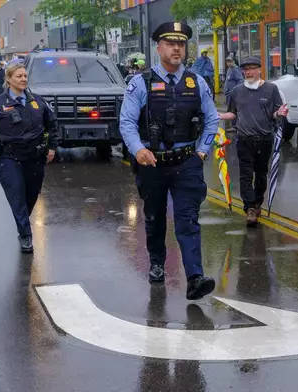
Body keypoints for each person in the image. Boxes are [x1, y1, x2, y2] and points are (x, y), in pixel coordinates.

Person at [119, 21, 219, 300]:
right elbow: (126, 122)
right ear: (159, 47)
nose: (177, 48)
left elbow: (212, 121)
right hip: (153, 163)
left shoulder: (197, 82)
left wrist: (202, 151)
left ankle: (195, 277)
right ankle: (156, 262)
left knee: (188, 219)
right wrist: (138, 149)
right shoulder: (141, 83)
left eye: (181, 44)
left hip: (187, 162)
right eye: (171, 44)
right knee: (155, 217)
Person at [0, 62, 59, 253]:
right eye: (18, 76)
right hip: (9, 158)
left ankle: (22, 223)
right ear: (8, 79)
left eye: (24, 76)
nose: (23, 79)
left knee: (31, 196)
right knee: (16, 197)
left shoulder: (38, 102)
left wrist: (52, 147)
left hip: (34, 157)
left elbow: (52, 124)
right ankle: (25, 235)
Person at [218, 57, 289, 227]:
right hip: (244, 139)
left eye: (252, 69)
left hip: (264, 139)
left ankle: (258, 202)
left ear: (259, 70)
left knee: (261, 173)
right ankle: (249, 208)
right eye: (245, 69)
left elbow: (275, 112)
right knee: (245, 174)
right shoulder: (236, 91)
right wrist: (218, 116)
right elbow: (232, 113)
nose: (248, 72)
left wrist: (280, 113)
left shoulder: (271, 89)